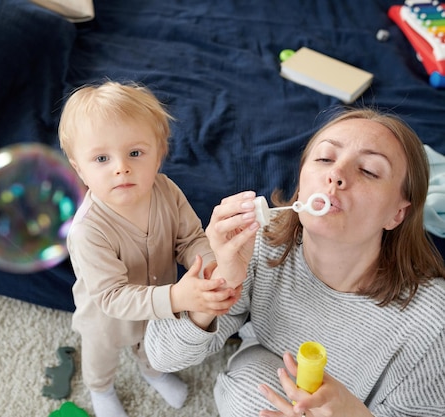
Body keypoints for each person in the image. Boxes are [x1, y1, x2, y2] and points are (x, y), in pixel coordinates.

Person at [144, 107, 445, 417]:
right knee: (246, 390)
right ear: (302, 184)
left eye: (368, 170)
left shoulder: (432, 321)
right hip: (261, 371)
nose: (336, 174)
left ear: (398, 214)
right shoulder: (261, 245)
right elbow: (162, 356)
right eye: (325, 159)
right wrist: (222, 277)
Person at [58, 81, 238, 417]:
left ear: (159, 154)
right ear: (78, 167)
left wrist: (211, 263)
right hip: (106, 318)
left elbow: (190, 238)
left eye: (135, 153)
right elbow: (111, 297)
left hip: (158, 306)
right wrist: (176, 298)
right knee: (101, 357)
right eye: (101, 158)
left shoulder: (166, 190)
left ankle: (152, 371)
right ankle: (102, 390)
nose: (121, 167)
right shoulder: (88, 231)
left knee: (150, 345)